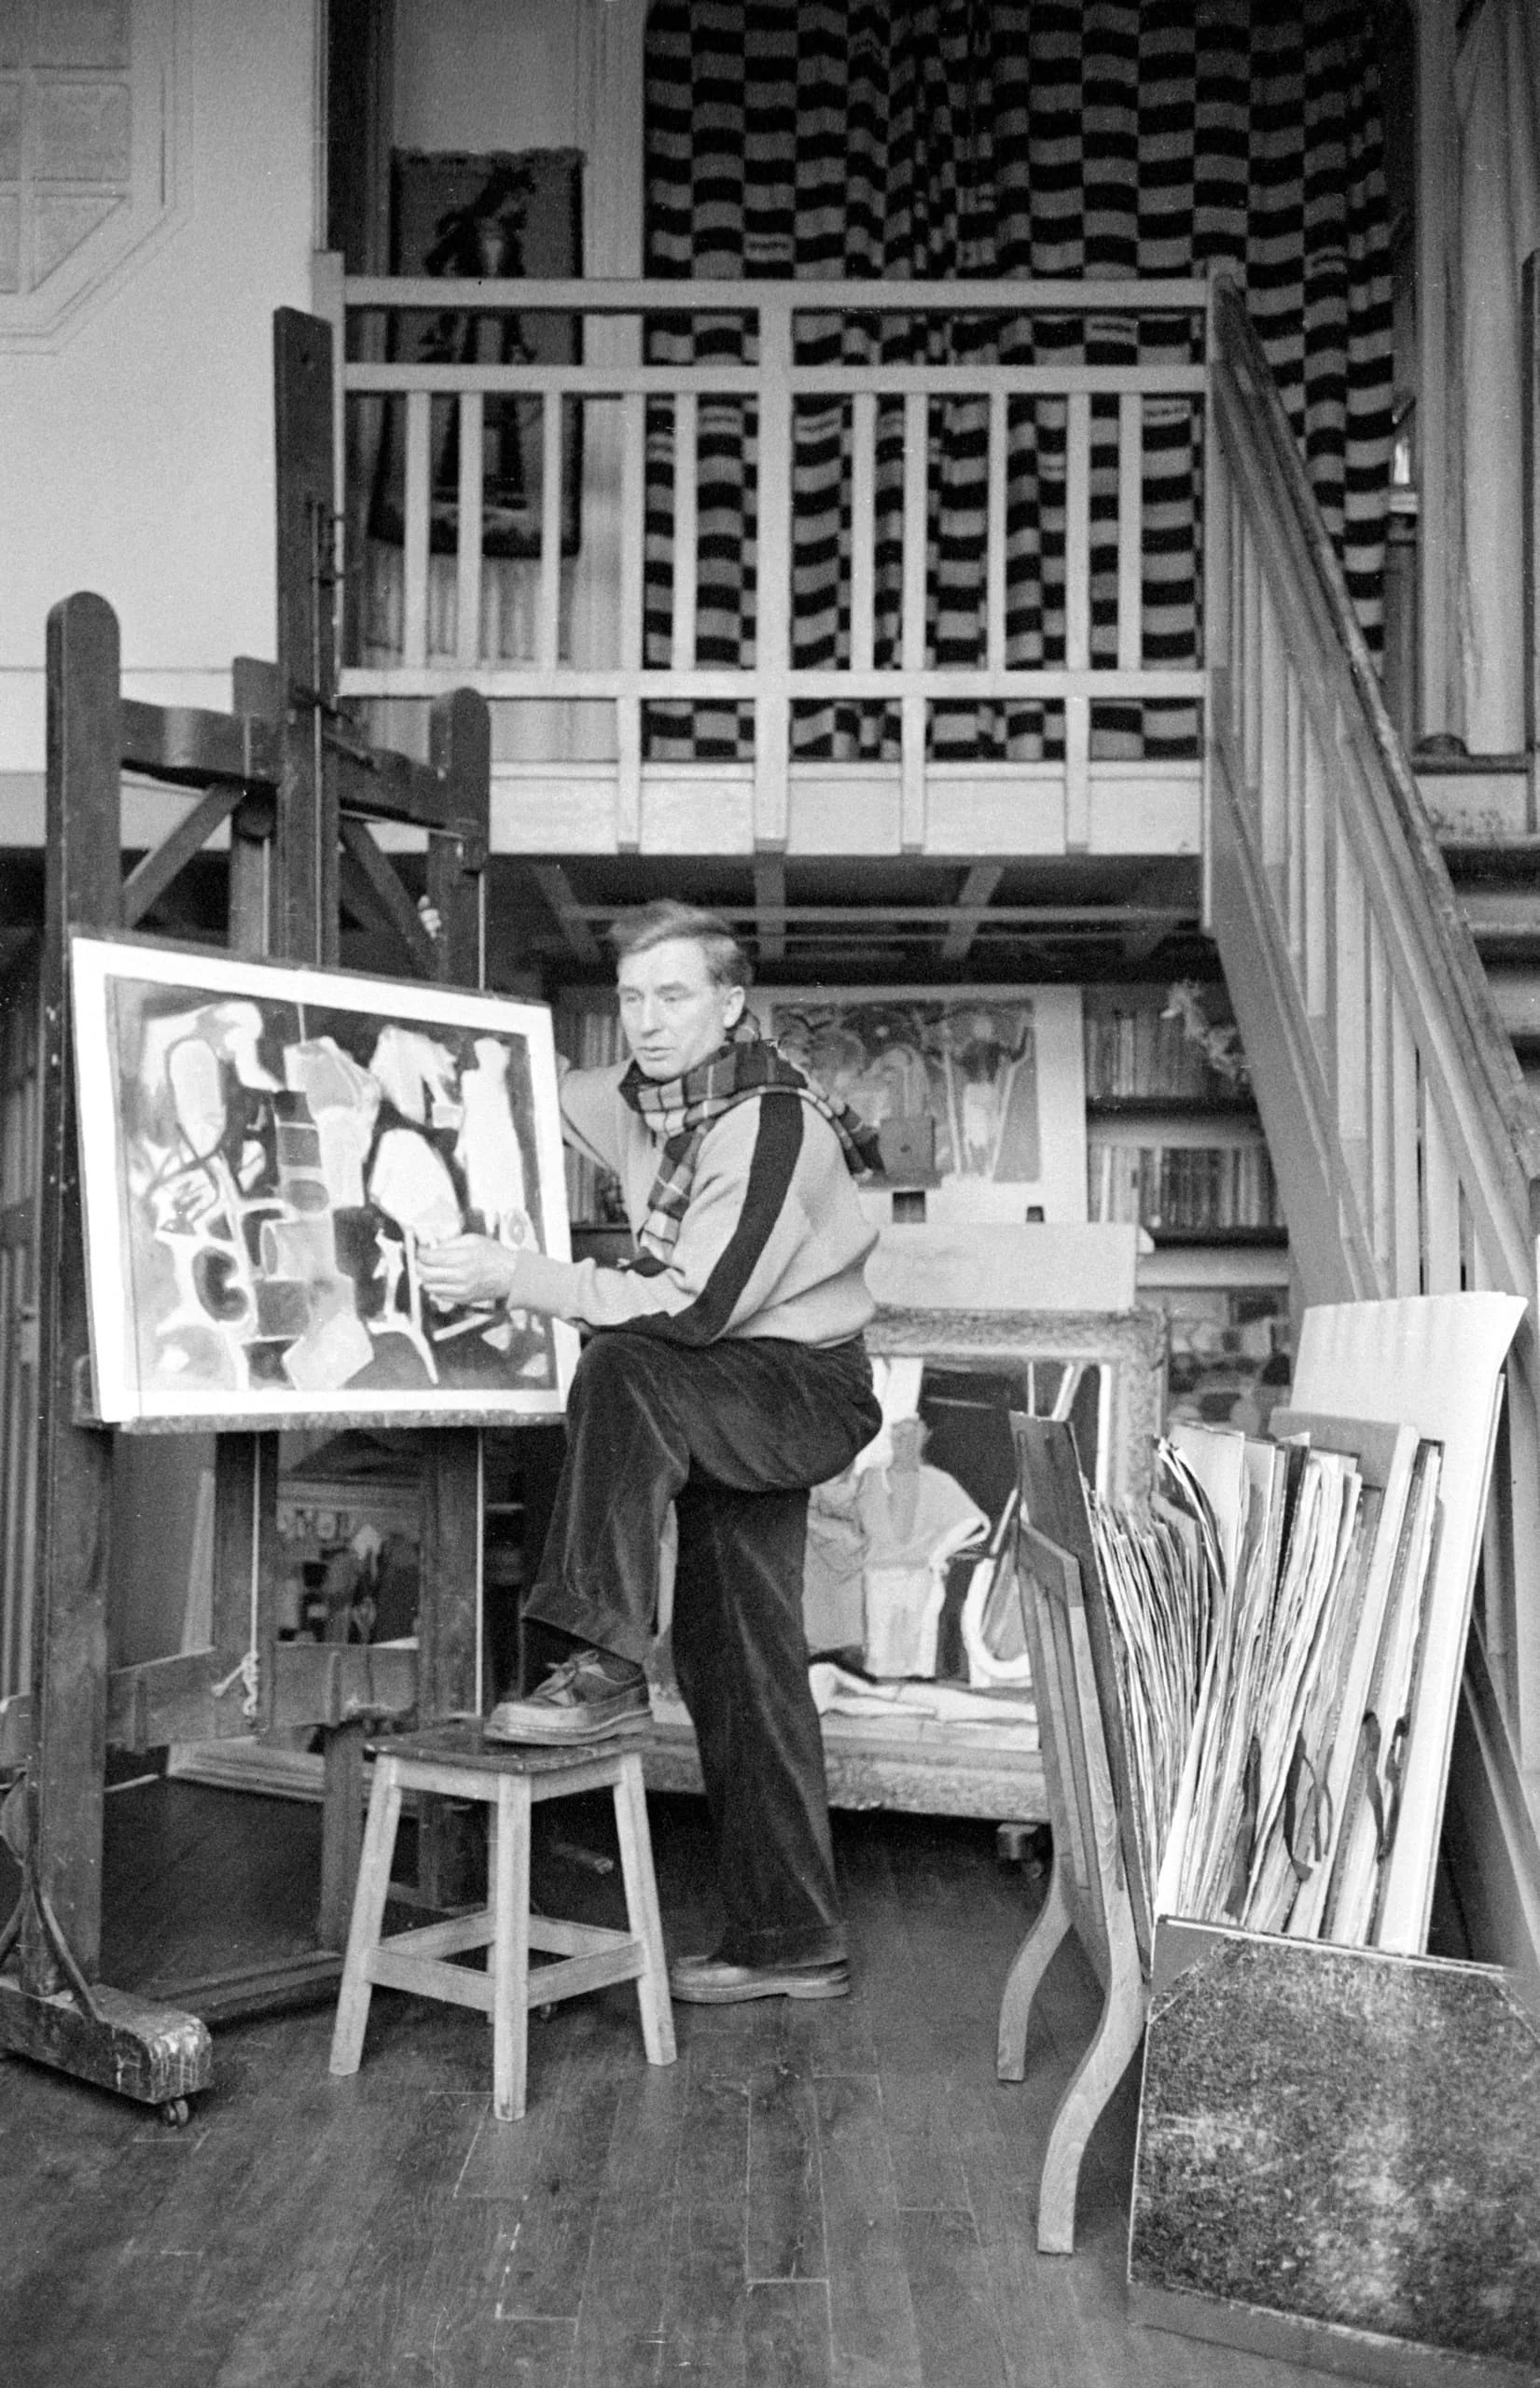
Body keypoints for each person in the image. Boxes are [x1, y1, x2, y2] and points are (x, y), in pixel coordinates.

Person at [415, 900, 884, 2005]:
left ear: (730, 1003)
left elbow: (694, 1307)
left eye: (674, 995)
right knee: (741, 1660)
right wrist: (436, 972)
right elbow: (525, 1074)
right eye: (631, 997)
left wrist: (515, 1276)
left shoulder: (769, 1122)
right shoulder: (641, 1100)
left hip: (797, 1388)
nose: (648, 1020)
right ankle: (791, 1939)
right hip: (718, 1388)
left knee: (622, 1365)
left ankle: (605, 1662)